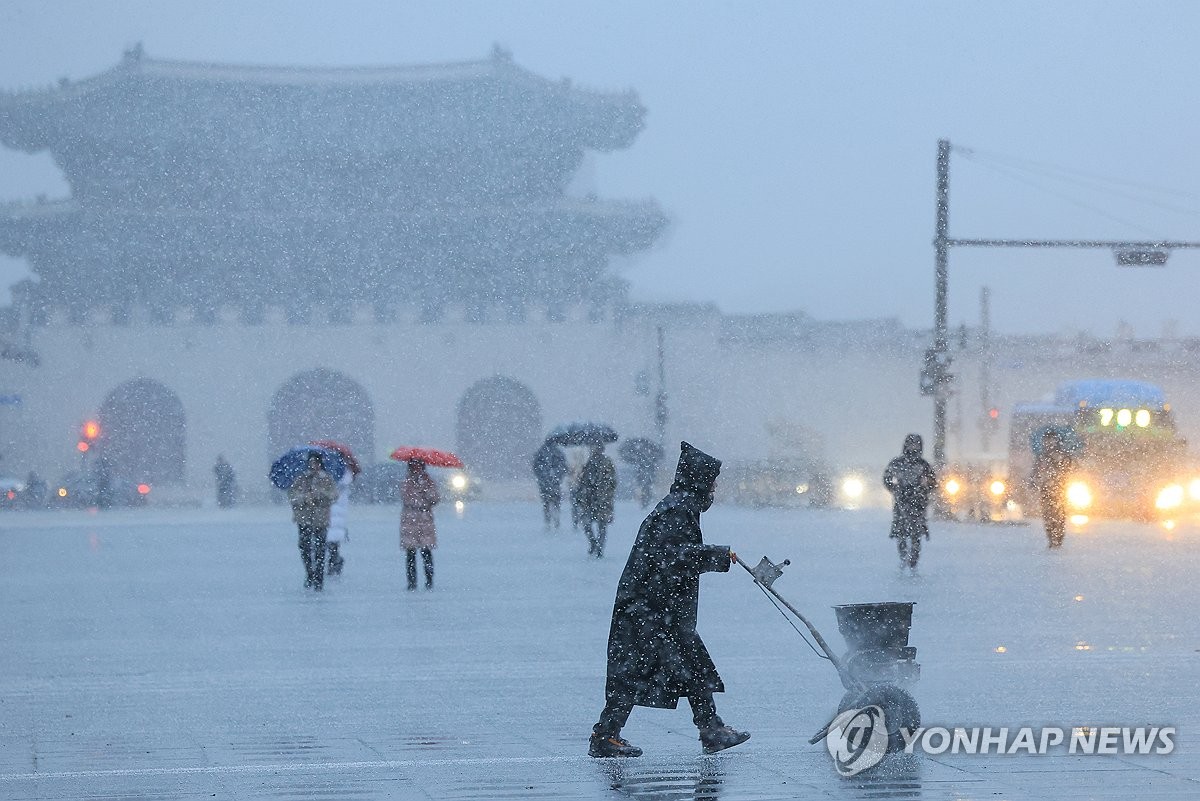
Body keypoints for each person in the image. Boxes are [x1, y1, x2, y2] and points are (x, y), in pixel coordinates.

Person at [590, 441, 750, 758]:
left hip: (658, 608)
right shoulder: (677, 511)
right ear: (699, 480)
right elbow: (673, 559)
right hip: (649, 609)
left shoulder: (680, 507)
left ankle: (711, 730)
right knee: (646, 671)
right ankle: (606, 737)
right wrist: (716, 555)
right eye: (712, 480)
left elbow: (671, 558)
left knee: (684, 667)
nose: (715, 487)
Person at [882, 434, 937, 570]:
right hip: (902, 501)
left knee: (915, 533)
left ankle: (913, 559)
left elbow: (932, 481)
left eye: (916, 444)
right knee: (901, 531)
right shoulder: (898, 463)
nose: (914, 447)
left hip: (917, 503)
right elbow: (887, 478)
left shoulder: (922, 464)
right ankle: (903, 556)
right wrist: (895, 489)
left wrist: (922, 490)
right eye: (911, 444)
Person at [287, 452, 339, 591]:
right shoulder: (301, 479)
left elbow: (334, 495)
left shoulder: (326, 479)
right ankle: (310, 573)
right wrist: (304, 498)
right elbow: (292, 496)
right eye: (311, 463)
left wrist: (319, 494)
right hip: (304, 518)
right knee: (304, 547)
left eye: (315, 462)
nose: (313, 466)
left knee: (320, 549)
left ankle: (319, 577)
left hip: (320, 519)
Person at [401, 458, 440, 590]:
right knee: (410, 553)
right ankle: (412, 582)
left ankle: (429, 580)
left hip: (425, 520)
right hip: (410, 519)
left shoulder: (429, 482)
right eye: (414, 466)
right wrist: (417, 489)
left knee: (426, 551)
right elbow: (406, 498)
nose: (416, 469)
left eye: (418, 466)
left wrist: (425, 489)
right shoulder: (406, 482)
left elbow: (435, 498)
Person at [1032, 430, 1074, 549]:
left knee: (1058, 515)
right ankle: (1051, 538)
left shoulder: (1061, 455)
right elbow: (1036, 472)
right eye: (1046, 440)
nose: (1048, 443)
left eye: (1050, 440)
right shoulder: (1042, 457)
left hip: (1059, 490)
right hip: (1046, 490)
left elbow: (1068, 469)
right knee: (1047, 516)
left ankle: (1058, 539)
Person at [577, 442, 617, 558]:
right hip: (590, 499)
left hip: (602, 500)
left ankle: (599, 548)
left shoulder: (607, 462)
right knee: (588, 524)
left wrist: (603, 491)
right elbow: (584, 481)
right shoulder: (589, 463)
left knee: (601, 525)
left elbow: (612, 481)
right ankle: (594, 544)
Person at [531, 439, 569, 530]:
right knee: (555, 502)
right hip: (554, 483)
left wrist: (543, 477)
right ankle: (556, 520)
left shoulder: (540, 452)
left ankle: (548, 520)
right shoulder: (558, 453)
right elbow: (564, 467)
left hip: (544, 484)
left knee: (546, 503)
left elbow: (536, 467)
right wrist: (557, 476)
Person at [325, 469, 353, 576]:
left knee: (331, 537)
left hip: (334, 510)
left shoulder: (335, 475)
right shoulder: (345, 474)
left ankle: (333, 561)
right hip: (336, 510)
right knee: (332, 538)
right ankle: (334, 560)